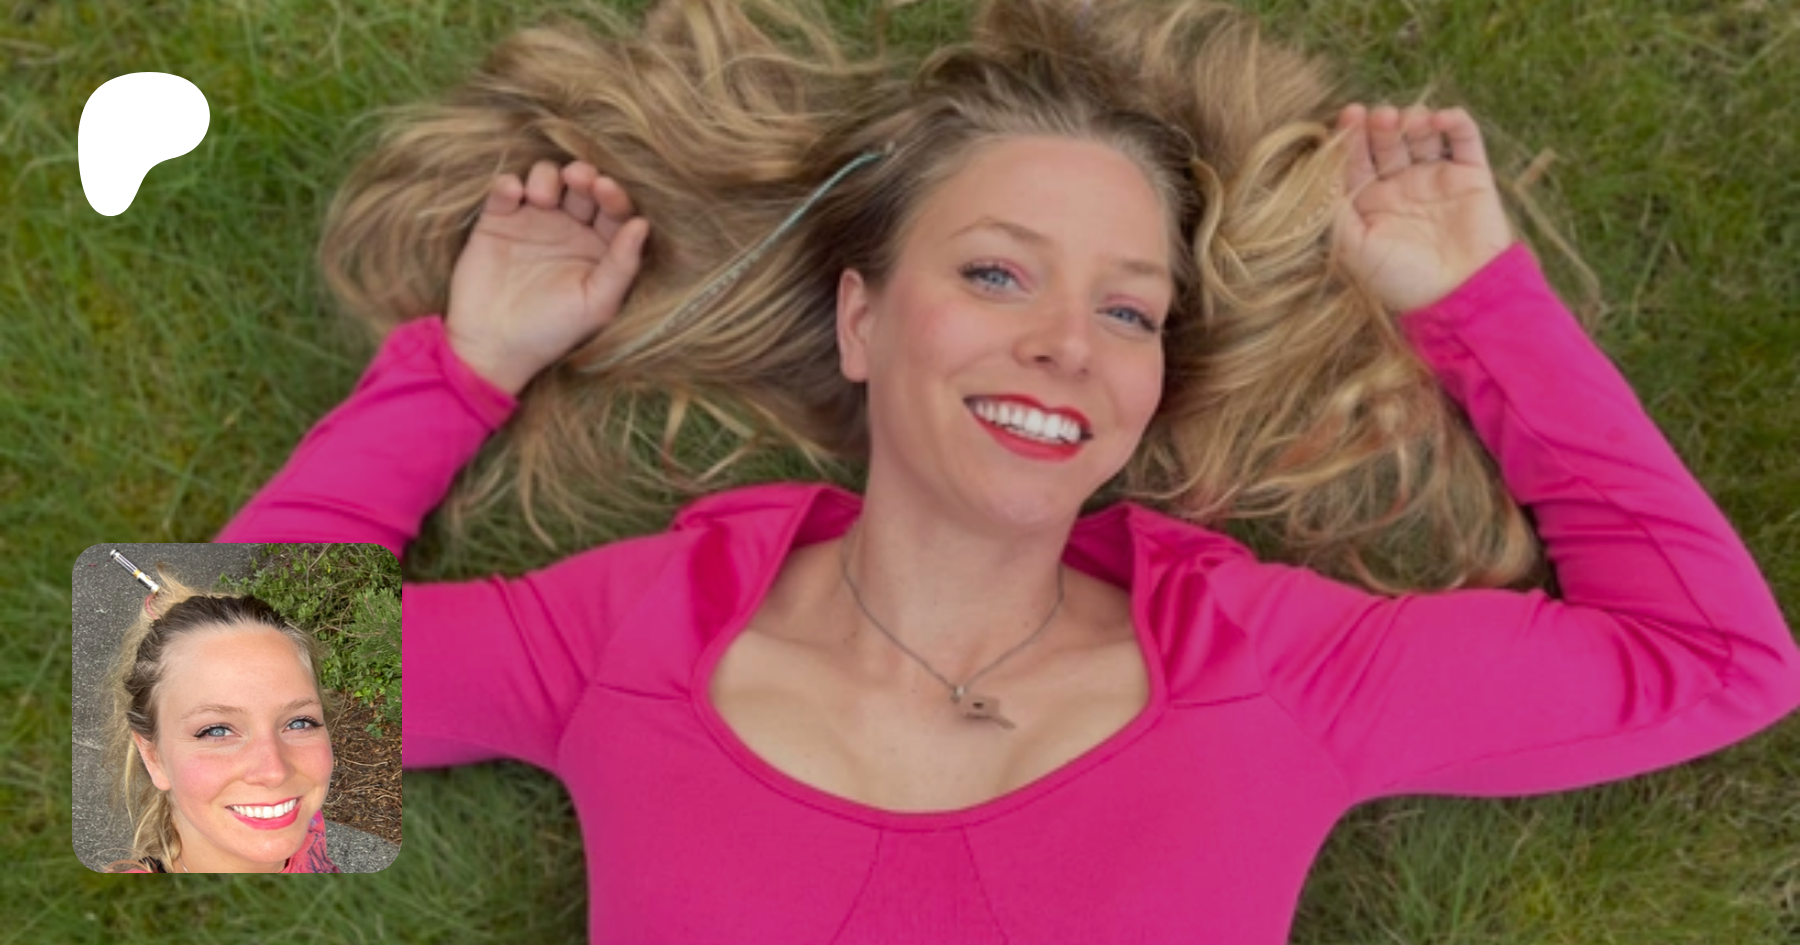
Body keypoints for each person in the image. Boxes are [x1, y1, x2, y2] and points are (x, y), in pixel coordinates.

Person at [218, 0, 1799, 938]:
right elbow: (171, 709)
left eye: (1128, 310)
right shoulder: (640, 631)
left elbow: (1718, 661)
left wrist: (1474, 305)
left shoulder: (1265, 664)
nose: (1064, 345)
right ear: (861, 318)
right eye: (995, 274)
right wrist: (468, 363)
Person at [102, 566, 342, 873]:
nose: (275, 773)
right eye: (216, 731)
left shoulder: (301, 818)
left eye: (299, 723)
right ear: (153, 756)